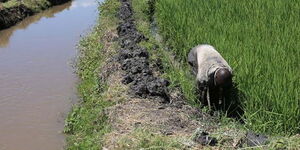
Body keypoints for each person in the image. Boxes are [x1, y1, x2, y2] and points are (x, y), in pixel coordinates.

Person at [188, 44, 233, 109]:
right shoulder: (203, 75)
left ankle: (214, 104)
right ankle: (203, 105)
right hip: (195, 53)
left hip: (210, 48)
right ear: (215, 78)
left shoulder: (229, 70)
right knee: (204, 86)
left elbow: (227, 90)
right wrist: (203, 102)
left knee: (214, 89)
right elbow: (200, 89)